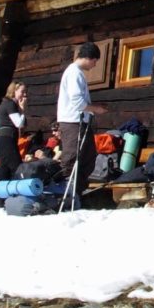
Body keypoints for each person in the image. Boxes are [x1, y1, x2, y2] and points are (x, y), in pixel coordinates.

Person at [56, 42, 107, 200]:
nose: (95, 64)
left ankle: (77, 190)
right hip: (72, 122)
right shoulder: (74, 73)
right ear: (89, 57)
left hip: (80, 123)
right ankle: (64, 191)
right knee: (72, 157)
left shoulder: (77, 73)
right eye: (95, 60)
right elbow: (76, 101)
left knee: (88, 156)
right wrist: (96, 109)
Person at [0, 81, 27, 180]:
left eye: (26, 92)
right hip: (7, 140)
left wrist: (1, 133)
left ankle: (1, 192)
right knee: (17, 167)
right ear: (14, 91)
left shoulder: (5, 104)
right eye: (22, 92)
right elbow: (19, 124)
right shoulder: (10, 104)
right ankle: (22, 191)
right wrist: (23, 110)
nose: (24, 95)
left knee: (5, 169)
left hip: (3, 139)